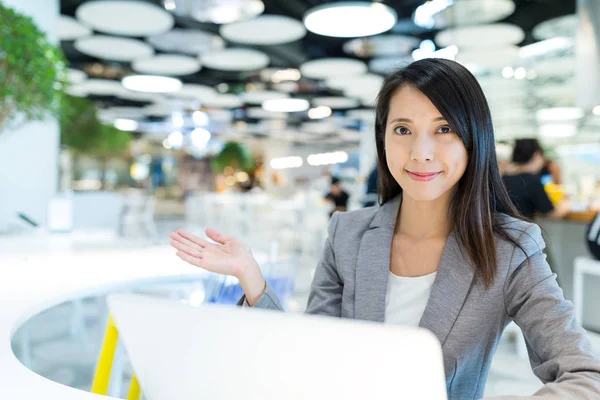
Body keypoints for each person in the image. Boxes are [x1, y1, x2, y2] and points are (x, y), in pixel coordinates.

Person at [170, 59, 600, 399]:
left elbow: (586, 375)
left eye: (444, 129)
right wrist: (254, 281)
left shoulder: (509, 249)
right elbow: (309, 357)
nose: (421, 152)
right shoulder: (347, 234)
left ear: (475, 139)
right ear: (384, 139)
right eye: (403, 130)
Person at [502, 138, 570, 220]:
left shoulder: (502, 177)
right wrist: (566, 203)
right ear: (537, 155)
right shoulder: (531, 181)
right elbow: (551, 214)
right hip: (521, 230)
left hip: (499, 230)